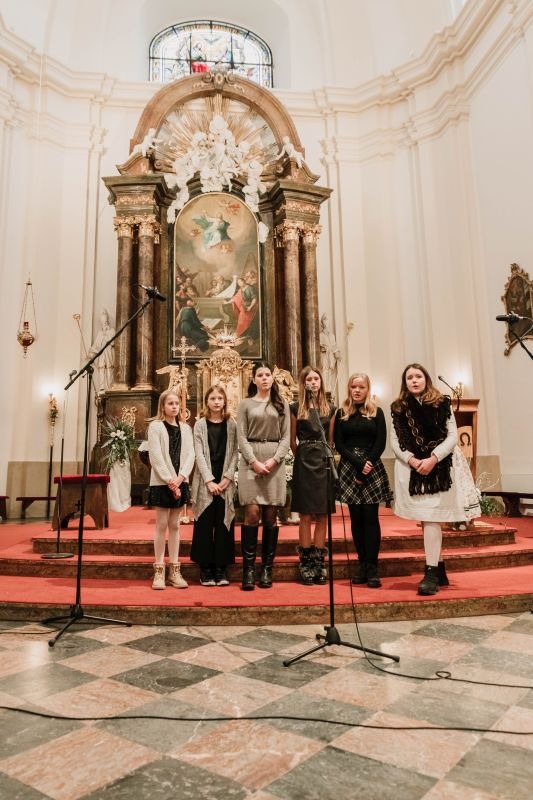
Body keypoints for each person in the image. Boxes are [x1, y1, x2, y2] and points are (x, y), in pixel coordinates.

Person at [390, 363, 481, 595]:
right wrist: (412, 460)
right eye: (409, 377)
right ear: (405, 382)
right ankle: (439, 569)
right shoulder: (398, 408)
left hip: (440, 469)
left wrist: (434, 458)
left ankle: (431, 573)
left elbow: (452, 435)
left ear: (426, 379)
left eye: (418, 376)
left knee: (431, 518)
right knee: (427, 518)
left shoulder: (442, 403)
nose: (414, 380)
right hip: (413, 470)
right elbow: (395, 441)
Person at [334, 373, 393, 588]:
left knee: (370, 517)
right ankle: (361, 564)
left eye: (361, 387)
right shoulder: (342, 413)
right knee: (356, 519)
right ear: (349, 389)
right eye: (353, 387)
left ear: (368, 389)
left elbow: (381, 442)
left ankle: (372, 566)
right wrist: (358, 464)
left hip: (372, 466)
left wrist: (367, 463)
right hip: (350, 467)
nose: (357, 390)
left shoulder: (377, 412)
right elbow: (339, 444)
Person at [236, 362, 290, 590]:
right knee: (251, 514)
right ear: (254, 379)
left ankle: (267, 568)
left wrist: (275, 459)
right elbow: (241, 436)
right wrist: (253, 462)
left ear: (272, 378)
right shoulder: (245, 404)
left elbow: (286, 437)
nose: (265, 378)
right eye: (260, 375)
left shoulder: (281, 403)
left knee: (270, 516)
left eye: (268, 374)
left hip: (274, 461)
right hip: (251, 461)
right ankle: (248, 569)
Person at [290, 366, 336, 585]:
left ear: (321, 382)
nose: (313, 382)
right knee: (306, 515)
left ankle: (319, 561)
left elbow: (331, 440)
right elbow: (292, 441)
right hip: (304, 461)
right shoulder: (295, 408)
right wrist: (302, 456)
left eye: (316, 378)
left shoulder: (330, 409)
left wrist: (323, 454)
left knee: (322, 514)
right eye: (309, 379)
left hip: (323, 461)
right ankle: (306, 562)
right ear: (303, 383)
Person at [190, 385, 238, 586]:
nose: (217, 402)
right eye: (213, 398)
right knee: (204, 522)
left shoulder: (232, 424)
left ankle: (221, 568)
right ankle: (205, 568)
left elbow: (235, 452)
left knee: (224, 523)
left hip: (225, 479)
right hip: (205, 481)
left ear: (225, 401)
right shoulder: (200, 425)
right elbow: (199, 453)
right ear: (206, 402)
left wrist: (227, 478)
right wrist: (209, 480)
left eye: (220, 398)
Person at [147, 390, 195, 590]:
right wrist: (170, 481)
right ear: (163, 406)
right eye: (170, 403)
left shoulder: (185, 428)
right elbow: (156, 456)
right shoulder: (155, 426)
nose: (174, 407)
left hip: (180, 481)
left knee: (175, 525)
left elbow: (191, 454)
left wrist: (181, 478)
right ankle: (159, 569)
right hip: (162, 482)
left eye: (177, 403)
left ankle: (174, 570)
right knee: (161, 524)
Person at [87, 308, 115, 394]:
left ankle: (109, 386)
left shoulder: (112, 330)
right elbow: (96, 344)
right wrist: (91, 352)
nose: (105, 324)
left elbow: (114, 342)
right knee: (102, 368)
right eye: (103, 323)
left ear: (108, 322)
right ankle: (102, 386)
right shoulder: (100, 332)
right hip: (102, 353)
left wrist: (106, 337)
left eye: (106, 322)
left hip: (109, 352)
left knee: (109, 368)